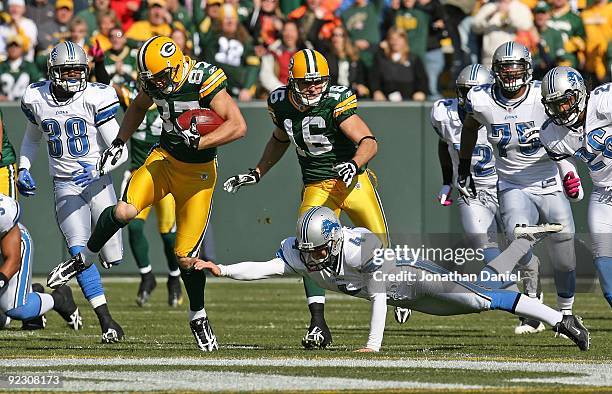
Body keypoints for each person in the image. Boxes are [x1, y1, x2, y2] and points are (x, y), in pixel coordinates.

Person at [47, 36, 247, 352]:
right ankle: (84, 257)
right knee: (125, 211)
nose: (157, 84)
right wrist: (119, 141)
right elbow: (139, 106)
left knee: (186, 259)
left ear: (177, 65)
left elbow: (238, 125)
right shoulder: (155, 80)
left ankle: (198, 315)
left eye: (161, 77)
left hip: (199, 173)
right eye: (151, 79)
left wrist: (201, 142)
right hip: (164, 160)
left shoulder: (203, 79)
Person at [197, 206, 590, 352]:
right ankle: (520, 246)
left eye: (318, 249)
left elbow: (379, 293)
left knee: (483, 298)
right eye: (308, 250)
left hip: (413, 277)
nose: (312, 257)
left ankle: (562, 320)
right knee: (481, 289)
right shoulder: (304, 250)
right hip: (409, 299)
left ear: (332, 240)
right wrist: (222, 270)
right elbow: (267, 268)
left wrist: (372, 346)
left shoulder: (355, 247)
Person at [223, 48, 402, 350]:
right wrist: (257, 172)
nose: (314, 88)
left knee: (382, 246)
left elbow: (369, 141)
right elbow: (280, 139)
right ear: (292, 81)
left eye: (319, 82)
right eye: (307, 83)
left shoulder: (335, 100)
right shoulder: (280, 103)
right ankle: (318, 323)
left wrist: (354, 164)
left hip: (352, 181)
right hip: (317, 185)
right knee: (308, 247)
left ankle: (398, 293)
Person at [456, 42, 579, 334]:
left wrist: (567, 165)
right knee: (517, 241)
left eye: (516, 67)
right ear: (495, 71)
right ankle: (533, 302)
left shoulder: (542, 93)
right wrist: (463, 168)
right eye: (504, 68)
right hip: (512, 183)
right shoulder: (481, 99)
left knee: (565, 251)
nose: (510, 74)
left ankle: (567, 314)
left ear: (528, 67)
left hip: (548, 180)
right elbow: (470, 127)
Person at [18, 41, 126, 343]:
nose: (75, 76)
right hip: (64, 186)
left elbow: (121, 150)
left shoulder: (95, 97)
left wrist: (97, 169)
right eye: (68, 71)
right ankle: (106, 321)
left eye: (79, 70)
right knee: (79, 253)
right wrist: (24, 167)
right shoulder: (37, 98)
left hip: (97, 183)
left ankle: (80, 292)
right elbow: (31, 139)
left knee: (112, 256)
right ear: (53, 72)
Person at [528, 66, 612, 307]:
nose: (563, 109)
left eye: (567, 101)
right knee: (607, 274)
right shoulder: (551, 133)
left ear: (580, 93)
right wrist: (570, 180)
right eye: (555, 105)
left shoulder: (605, 101)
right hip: (604, 194)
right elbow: (567, 169)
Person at [114, 80, 183, 308]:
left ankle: (174, 278)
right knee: (133, 226)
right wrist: (101, 63)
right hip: (138, 173)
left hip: (164, 174)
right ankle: (147, 276)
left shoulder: (170, 100)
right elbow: (108, 85)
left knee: (167, 233)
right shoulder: (133, 100)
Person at [432, 64, 502, 264]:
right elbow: (444, 144)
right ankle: (505, 287)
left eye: (476, 91)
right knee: (484, 244)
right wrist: (447, 182)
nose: (470, 97)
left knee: (519, 247)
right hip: (470, 190)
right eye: (465, 90)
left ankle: (530, 281)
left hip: (504, 186)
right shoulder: (444, 114)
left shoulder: (502, 112)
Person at [0, 194, 82, 331]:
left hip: (11, 243)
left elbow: (13, 261)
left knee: (16, 309)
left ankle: (59, 299)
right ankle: (32, 292)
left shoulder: (4, 214)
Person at [370, 27, 428, 101]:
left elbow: (422, 79)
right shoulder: (380, 58)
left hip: (409, 99)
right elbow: (374, 78)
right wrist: (376, 91)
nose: (395, 42)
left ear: (405, 40)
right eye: (392, 39)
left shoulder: (414, 59)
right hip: (385, 100)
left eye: (399, 39)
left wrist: (420, 92)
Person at [0, 35, 42, 102]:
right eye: (10, 46)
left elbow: (40, 83)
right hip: (3, 106)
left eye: (16, 46)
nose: (13, 48)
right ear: (7, 48)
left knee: (24, 77)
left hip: (25, 106)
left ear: (22, 48)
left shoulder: (29, 66)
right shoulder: (1, 66)